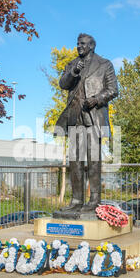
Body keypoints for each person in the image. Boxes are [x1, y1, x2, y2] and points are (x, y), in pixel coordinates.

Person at [54, 33, 118, 216]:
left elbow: (113, 90)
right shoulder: (72, 64)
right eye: (77, 44)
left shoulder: (105, 65)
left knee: (93, 161)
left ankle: (94, 199)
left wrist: (97, 99)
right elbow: (63, 84)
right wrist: (74, 71)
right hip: (75, 117)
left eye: (82, 44)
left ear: (92, 45)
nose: (79, 46)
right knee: (75, 162)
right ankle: (76, 200)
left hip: (93, 117)